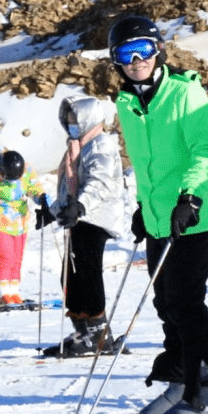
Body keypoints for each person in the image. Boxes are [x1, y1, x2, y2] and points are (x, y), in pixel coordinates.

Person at [108, 15, 208, 414]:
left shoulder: (185, 93)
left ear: (158, 49)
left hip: (192, 218)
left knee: (186, 304)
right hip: (160, 220)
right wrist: (144, 208)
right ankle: (182, 385)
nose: (135, 60)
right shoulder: (127, 103)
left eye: (142, 49)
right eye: (125, 55)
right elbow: (145, 167)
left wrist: (191, 195)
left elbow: (207, 149)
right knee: (166, 305)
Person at [39, 95, 126, 358]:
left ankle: (98, 334)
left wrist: (80, 207)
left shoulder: (100, 145)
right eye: (67, 120)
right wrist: (52, 212)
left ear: (89, 118)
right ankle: (84, 330)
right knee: (71, 276)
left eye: (75, 119)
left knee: (86, 273)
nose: (71, 124)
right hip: (81, 217)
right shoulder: (78, 147)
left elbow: (100, 182)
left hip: (95, 217)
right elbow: (69, 188)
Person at [0, 150, 47, 305]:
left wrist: (41, 198)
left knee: (17, 257)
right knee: (5, 255)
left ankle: (14, 292)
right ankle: (3, 292)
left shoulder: (27, 170)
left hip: (20, 221)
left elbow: (34, 188)